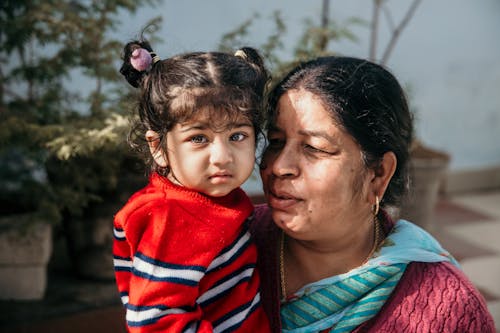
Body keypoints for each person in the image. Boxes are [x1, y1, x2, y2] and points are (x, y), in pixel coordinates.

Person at [251, 56, 496, 332]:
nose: (279, 166)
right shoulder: (227, 247)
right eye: (276, 142)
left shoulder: (447, 311)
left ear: (378, 174)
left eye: (313, 148)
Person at [113, 39, 272, 332]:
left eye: (237, 136)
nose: (222, 157)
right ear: (158, 147)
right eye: (199, 138)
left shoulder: (211, 199)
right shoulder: (169, 217)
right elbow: (156, 321)